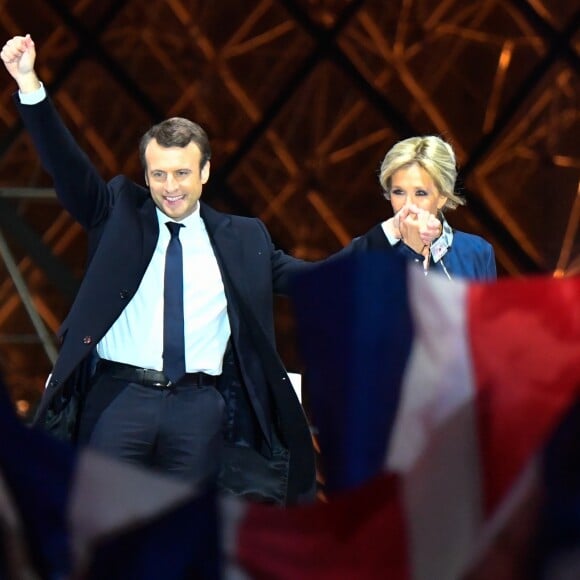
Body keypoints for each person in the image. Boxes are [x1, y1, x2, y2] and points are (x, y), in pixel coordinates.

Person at [1, 35, 441, 505]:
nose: (170, 187)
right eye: (158, 175)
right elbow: (67, 168)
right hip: (118, 401)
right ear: (145, 173)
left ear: (205, 171)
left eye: (182, 173)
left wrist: (391, 232)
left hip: (199, 411)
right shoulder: (117, 212)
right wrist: (29, 83)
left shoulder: (243, 238)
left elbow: (316, 279)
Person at [351, 135, 497, 280]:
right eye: (398, 192)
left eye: (420, 193)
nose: (408, 205)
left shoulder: (477, 252)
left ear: (442, 196)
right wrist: (411, 251)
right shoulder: (364, 251)